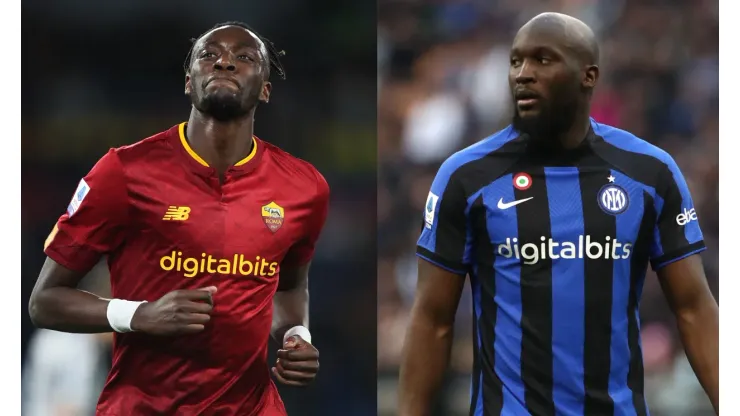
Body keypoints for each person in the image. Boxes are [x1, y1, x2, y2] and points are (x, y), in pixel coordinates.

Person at [398, 12, 718, 416]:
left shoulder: (649, 173)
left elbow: (694, 307)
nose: (522, 74)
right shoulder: (466, 176)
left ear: (589, 75)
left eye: (543, 60)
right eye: (516, 61)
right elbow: (432, 319)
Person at [29, 21, 330, 416]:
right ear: (189, 82)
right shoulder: (123, 171)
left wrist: (296, 335)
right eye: (209, 55)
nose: (224, 62)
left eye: (244, 57)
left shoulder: (305, 187)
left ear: (266, 89)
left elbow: (290, 289)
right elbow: (44, 302)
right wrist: (139, 314)